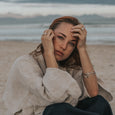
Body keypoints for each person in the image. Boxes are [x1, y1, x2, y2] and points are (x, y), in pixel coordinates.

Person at [3, 16, 113, 115]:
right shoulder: (25, 63)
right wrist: (49, 53)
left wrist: (82, 48)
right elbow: (56, 97)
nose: (64, 46)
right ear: (49, 36)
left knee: (99, 102)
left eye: (71, 43)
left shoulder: (69, 66)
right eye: (61, 37)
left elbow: (93, 92)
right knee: (59, 109)